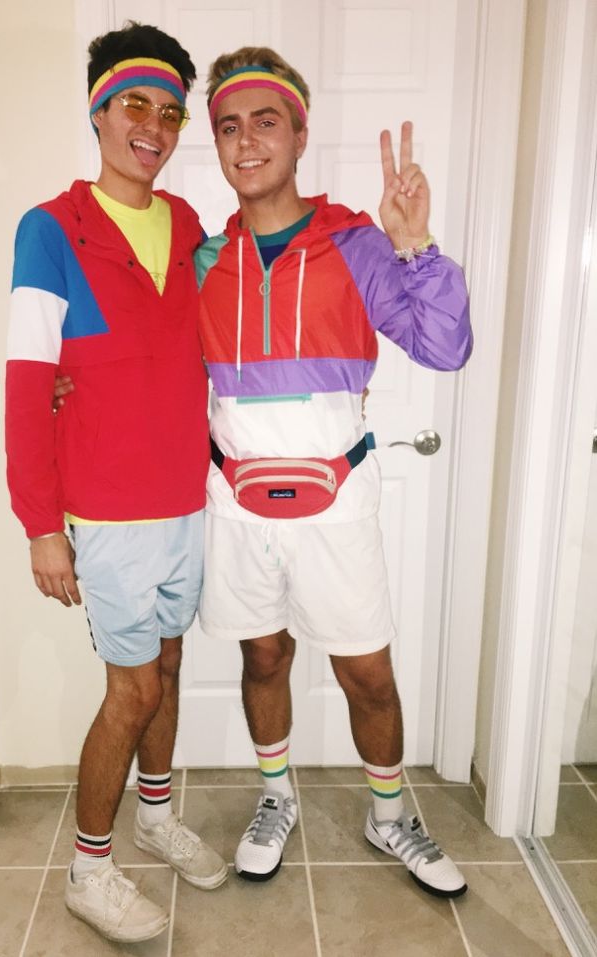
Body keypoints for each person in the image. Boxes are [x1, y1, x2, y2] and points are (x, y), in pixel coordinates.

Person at [193, 47, 473, 897]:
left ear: (300, 133)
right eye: (228, 127)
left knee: (367, 672)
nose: (246, 143)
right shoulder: (204, 260)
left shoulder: (352, 243)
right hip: (237, 505)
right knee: (264, 659)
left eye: (264, 122)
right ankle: (274, 796)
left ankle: (387, 814)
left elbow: (444, 346)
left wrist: (414, 240)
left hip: (335, 502)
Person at [5, 22, 226, 945]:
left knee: (170, 669)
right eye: (136, 103)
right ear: (98, 111)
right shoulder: (50, 229)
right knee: (130, 691)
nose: (154, 124)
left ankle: (157, 815)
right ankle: (89, 870)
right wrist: (40, 524)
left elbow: (222, 308)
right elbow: (25, 382)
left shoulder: (183, 225)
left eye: (170, 111)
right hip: (107, 512)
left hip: (185, 499)